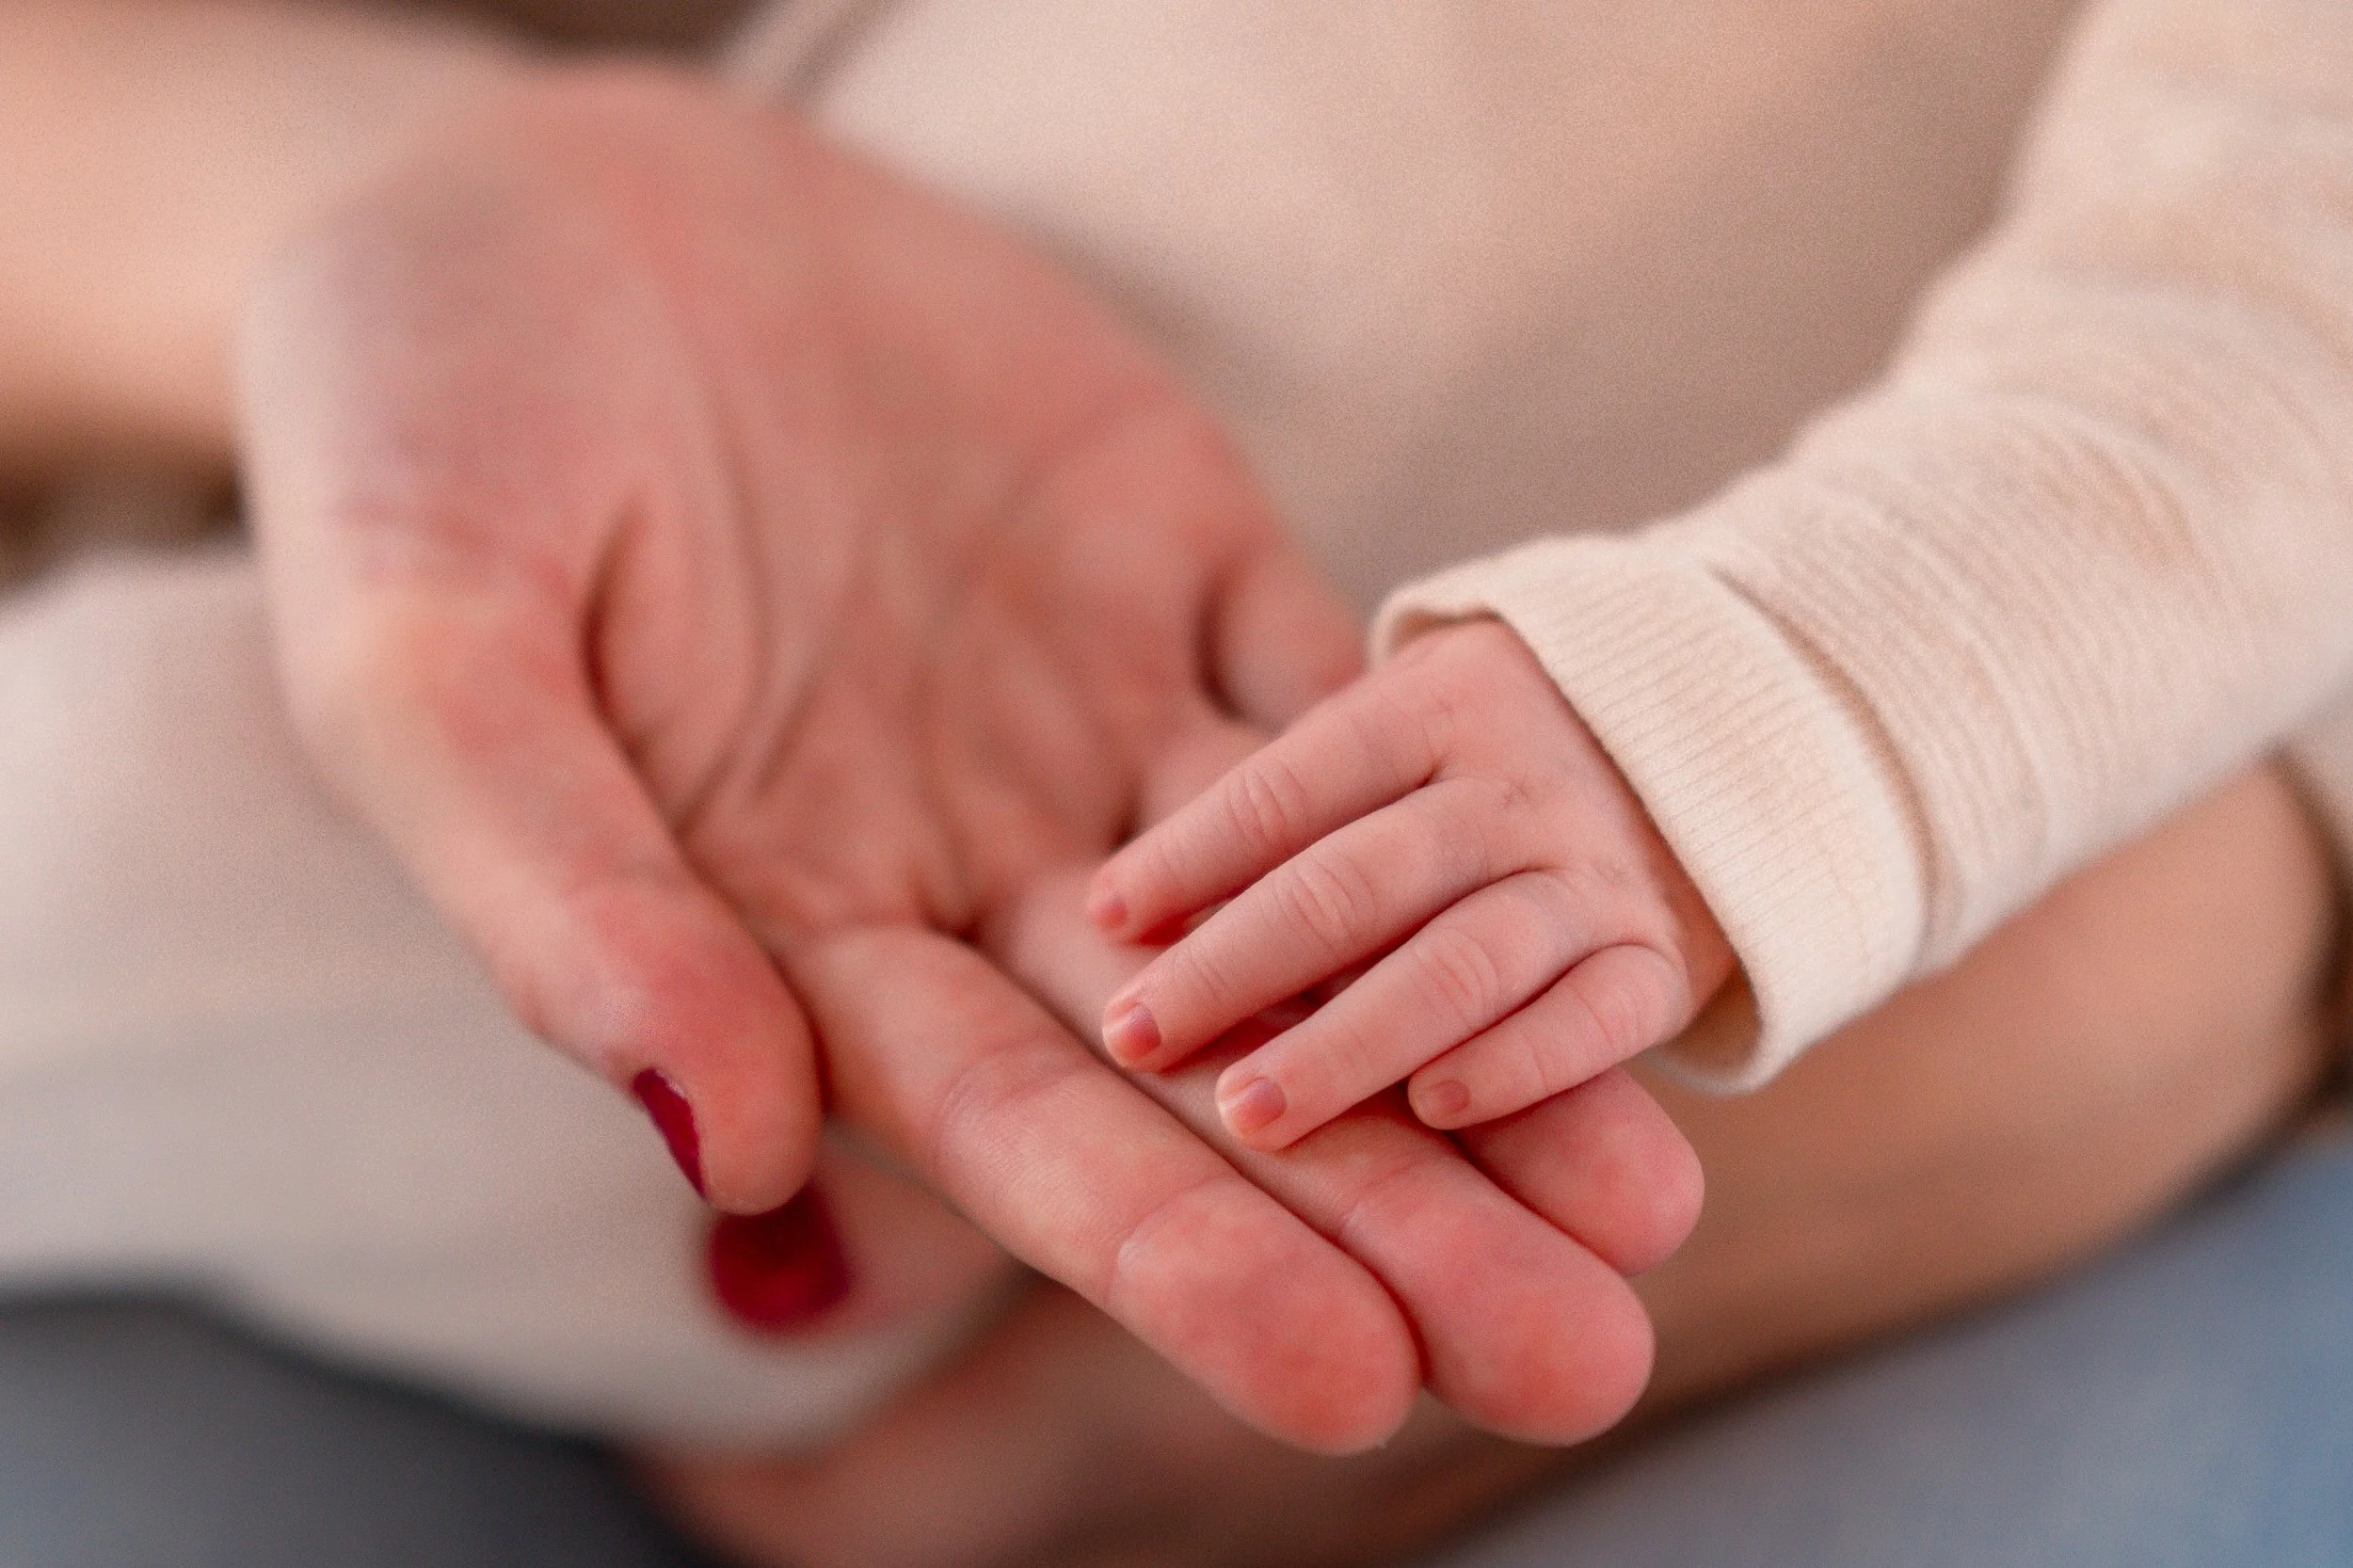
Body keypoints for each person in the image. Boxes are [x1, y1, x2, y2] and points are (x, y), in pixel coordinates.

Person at [0, 0, 2347, 1564]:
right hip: (758, 522)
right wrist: (408, 181)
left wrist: (1828, 708)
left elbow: (2268, 275)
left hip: (1469, 900)